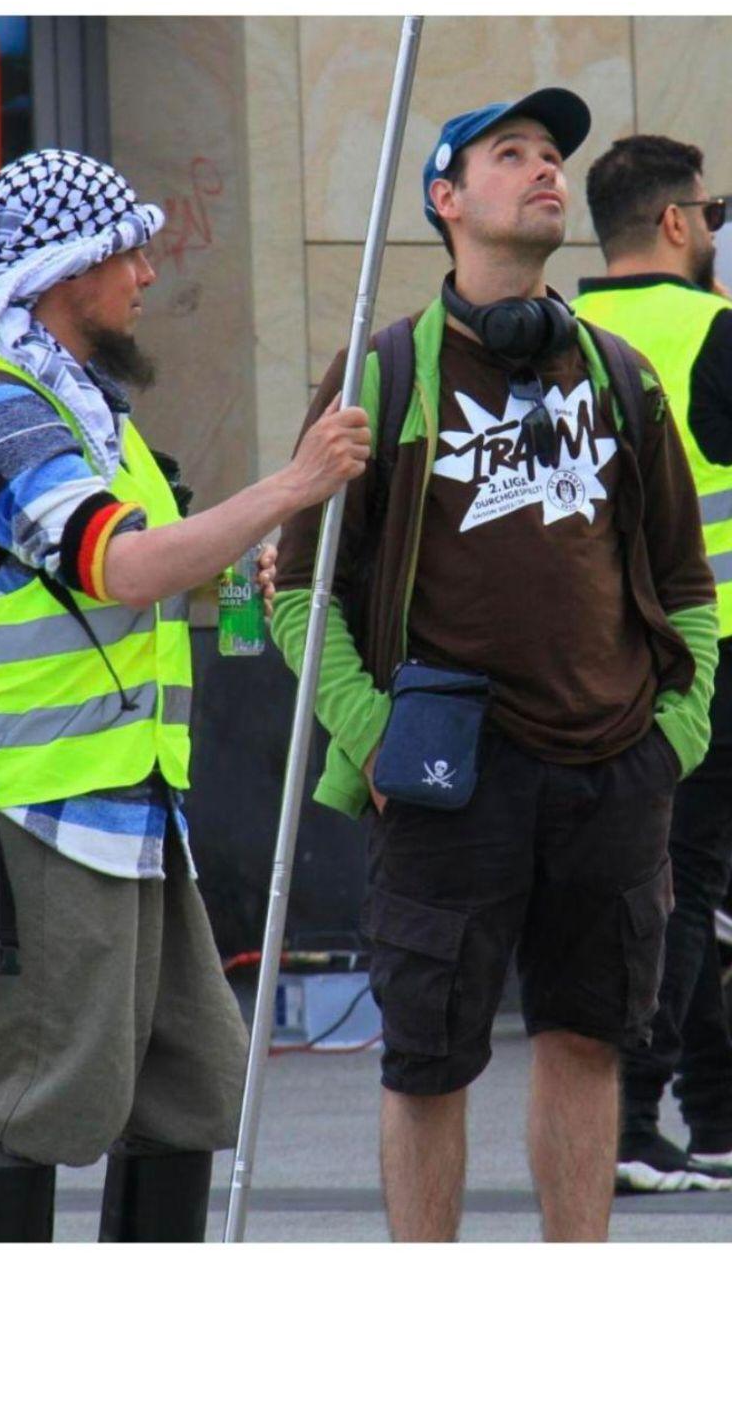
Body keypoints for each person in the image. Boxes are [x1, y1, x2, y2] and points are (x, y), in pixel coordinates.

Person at [272, 90, 719, 1242]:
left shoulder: (621, 375)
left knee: (587, 1041)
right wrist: (372, 733)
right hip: (446, 777)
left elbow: (684, 583)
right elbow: (294, 589)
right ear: (446, 199)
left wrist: (674, 738)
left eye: (552, 154)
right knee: (427, 1060)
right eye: (509, 154)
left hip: (613, 771)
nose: (544, 170)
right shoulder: (383, 374)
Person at [0, 147, 370, 1242]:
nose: (147, 277)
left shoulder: (88, 411)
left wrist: (241, 568)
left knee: (186, 1084)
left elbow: (157, 572)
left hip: (132, 802)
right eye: (129, 255)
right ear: (67, 272)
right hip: (31, 804)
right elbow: (117, 565)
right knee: (28, 1096)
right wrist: (292, 487)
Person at [572, 134, 732, 1192]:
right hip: (714, 648)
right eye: (709, 216)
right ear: (675, 222)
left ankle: (712, 1116)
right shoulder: (716, 330)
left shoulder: (563, 333)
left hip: (598, 652)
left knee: (673, 875)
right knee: (692, 879)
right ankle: (629, 1117)